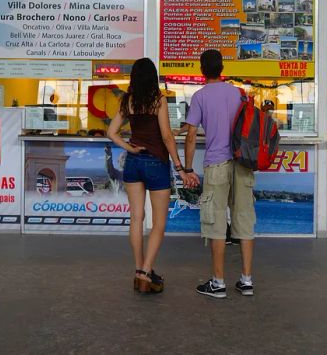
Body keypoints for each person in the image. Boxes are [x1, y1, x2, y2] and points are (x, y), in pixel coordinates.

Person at [108, 57, 190, 294]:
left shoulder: (128, 101)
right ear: (153, 77)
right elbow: (166, 136)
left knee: (136, 218)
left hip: (133, 163)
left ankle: (138, 270)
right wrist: (179, 166)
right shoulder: (158, 100)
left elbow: (111, 132)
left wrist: (129, 147)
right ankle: (146, 272)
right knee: (158, 223)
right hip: (156, 163)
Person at [182, 49, 256, 299]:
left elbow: (191, 135)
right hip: (242, 164)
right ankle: (246, 281)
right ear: (222, 68)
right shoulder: (237, 93)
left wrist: (187, 167)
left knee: (214, 222)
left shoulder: (200, 96)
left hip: (216, 165)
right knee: (244, 218)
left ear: (202, 70)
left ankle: (218, 282)